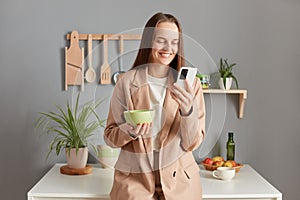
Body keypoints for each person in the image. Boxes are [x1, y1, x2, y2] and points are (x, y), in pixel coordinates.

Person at [104, 12, 206, 200]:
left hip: (180, 184)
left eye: (174, 42)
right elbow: (110, 137)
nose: (168, 48)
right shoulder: (126, 82)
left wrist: (188, 111)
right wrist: (130, 130)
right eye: (161, 40)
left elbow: (192, 143)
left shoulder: (191, 86)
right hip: (135, 182)